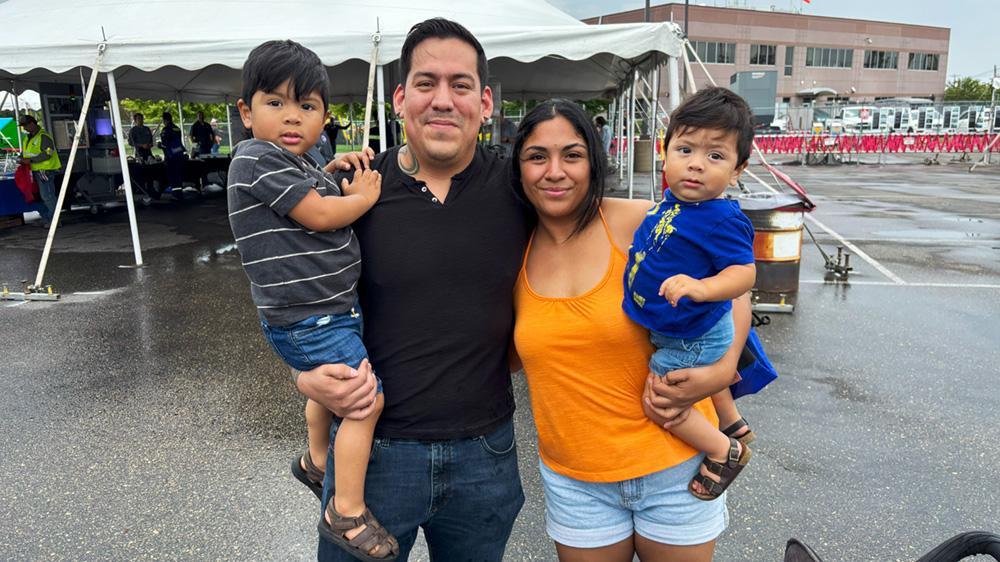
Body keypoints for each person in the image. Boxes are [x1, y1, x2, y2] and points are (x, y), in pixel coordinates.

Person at [296, 18, 530, 561]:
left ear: (486, 101)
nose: (442, 100)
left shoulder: (522, 189)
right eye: (426, 83)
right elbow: (289, 289)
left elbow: (603, 240)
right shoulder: (354, 188)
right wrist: (304, 375)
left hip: (485, 453)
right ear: (401, 97)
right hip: (373, 457)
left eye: (460, 84)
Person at [511, 98, 750, 561]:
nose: (555, 171)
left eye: (573, 155)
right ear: (518, 167)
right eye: (537, 156)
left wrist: (721, 372)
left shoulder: (643, 221)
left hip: (676, 471)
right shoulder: (508, 245)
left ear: (594, 162)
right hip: (575, 481)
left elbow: (735, 289)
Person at [227, 40, 395, 561]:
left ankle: (317, 460)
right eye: (275, 103)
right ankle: (345, 509)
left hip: (326, 311)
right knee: (365, 400)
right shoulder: (254, 157)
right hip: (308, 318)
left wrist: (332, 167)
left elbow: (311, 187)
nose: (292, 117)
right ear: (245, 113)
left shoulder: (292, 161)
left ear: (325, 115)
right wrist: (361, 197)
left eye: (308, 106)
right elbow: (319, 214)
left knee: (328, 392)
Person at [623, 86, 757, 502]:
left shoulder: (721, 218)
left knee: (660, 400)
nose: (696, 165)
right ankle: (733, 420)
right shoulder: (672, 203)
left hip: (692, 332)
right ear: (666, 153)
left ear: (738, 169)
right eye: (685, 150)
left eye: (715, 156)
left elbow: (745, 274)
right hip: (680, 325)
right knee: (702, 367)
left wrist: (703, 287)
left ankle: (724, 450)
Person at [18, 115, 61, 224]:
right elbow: (27, 152)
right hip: (35, 170)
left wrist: (30, 160)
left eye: (25, 126)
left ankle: (54, 221)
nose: (24, 129)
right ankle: (49, 217)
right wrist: (21, 158)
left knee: (47, 196)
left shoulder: (43, 137)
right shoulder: (28, 138)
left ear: (32, 124)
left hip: (44, 170)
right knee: (39, 196)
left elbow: (49, 153)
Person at [158, 111, 186, 195]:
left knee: (172, 175)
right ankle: (179, 192)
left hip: (170, 156)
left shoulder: (166, 130)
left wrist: (159, 145)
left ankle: (175, 193)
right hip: (179, 154)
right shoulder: (177, 128)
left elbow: (165, 144)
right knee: (178, 174)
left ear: (165, 120)